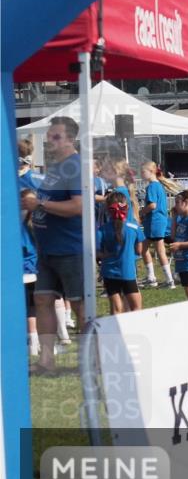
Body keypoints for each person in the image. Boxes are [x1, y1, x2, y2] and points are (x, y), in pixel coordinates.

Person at [24, 117, 84, 374]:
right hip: (47, 250)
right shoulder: (56, 167)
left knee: (82, 306)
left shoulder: (75, 166)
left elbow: (78, 206)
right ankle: (46, 360)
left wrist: (40, 205)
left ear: (70, 139)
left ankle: (90, 359)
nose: (50, 140)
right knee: (42, 300)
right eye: (49, 135)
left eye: (56, 136)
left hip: (71, 250)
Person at [96, 191, 144, 314]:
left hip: (109, 272)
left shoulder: (102, 229)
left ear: (108, 209)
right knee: (136, 307)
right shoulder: (134, 227)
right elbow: (139, 250)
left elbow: (97, 252)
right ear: (126, 207)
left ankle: (115, 332)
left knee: (116, 308)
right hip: (127, 271)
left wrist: (105, 256)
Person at [139, 161, 178, 289]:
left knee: (159, 250)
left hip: (155, 221)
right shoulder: (158, 186)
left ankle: (169, 280)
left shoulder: (152, 187)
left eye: (143, 171)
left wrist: (141, 212)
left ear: (151, 172)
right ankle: (151, 277)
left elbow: (152, 205)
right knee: (143, 248)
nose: (141, 174)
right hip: (156, 221)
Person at [21, 189, 40, 356]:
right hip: (32, 272)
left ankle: (33, 343)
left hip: (28, 273)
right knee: (34, 310)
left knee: (31, 310)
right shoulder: (37, 225)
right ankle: (34, 344)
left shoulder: (24, 227)